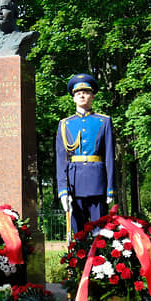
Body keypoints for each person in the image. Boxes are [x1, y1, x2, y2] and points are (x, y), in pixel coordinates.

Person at [55, 73, 114, 233]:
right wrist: (62, 190)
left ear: (93, 96)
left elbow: (109, 156)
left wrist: (110, 188)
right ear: (73, 97)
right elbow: (61, 161)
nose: (81, 95)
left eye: (86, 92)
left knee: (100, 235)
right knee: (79, 235)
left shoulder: (104, 121)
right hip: (74, 184)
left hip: (97, 183)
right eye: (77, 93)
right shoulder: (64, 124)